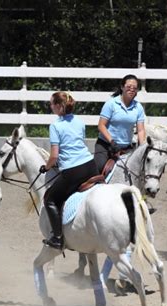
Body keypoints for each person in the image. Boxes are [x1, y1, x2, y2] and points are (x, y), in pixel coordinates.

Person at [39, 91, 100, 250]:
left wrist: (46, 167)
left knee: (50, 199)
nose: (51, 107)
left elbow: (54, 156)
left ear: (59, 106)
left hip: (73, 171)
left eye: (52, 104)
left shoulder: (55, 126)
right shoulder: (80, 121)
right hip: (90, 166)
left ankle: (58, 237)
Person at [94, 74, 146, 173]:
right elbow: (101, 125)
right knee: (99, 168)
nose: (131, 89)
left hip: (126, 148)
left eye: (135, 88)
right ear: (122, 87)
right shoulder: (111, 104)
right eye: (128, 87)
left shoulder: (138, 107)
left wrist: (142, 147)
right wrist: (112, 142)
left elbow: (141, 130)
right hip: (106, 145)